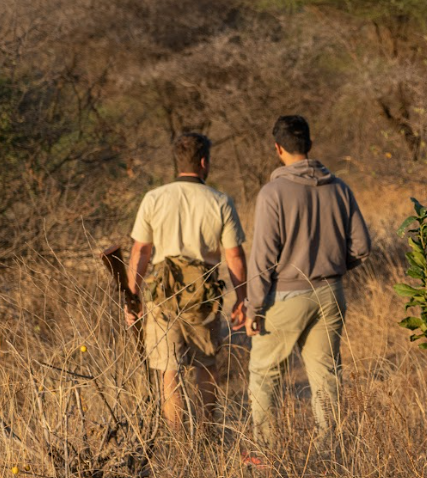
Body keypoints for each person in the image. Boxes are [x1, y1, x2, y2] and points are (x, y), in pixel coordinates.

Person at [246, 115, 371, 448]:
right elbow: (362, 246)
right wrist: (333, 266)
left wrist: (253, 307)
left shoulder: (273, 193)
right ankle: (329, 454)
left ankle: (267, 455)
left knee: (264, 377)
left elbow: (262, 259)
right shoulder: (340, 187)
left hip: (284, 296)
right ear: (310, 145)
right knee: (326, 378)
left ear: (277, 148)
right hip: (331, 293)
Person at [125, 132, 247, 430]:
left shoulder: (153, 198)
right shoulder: (220, 201)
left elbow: (140, 251)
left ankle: (179, 443)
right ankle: (206, 432)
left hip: (162, 295)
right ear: (204, 162)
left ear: (177, 162)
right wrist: (242, 299)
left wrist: (132, 296)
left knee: (170, 372)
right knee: (206, 366)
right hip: (202, 295)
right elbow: (234, 256)